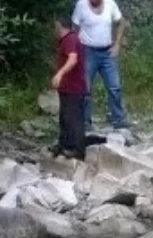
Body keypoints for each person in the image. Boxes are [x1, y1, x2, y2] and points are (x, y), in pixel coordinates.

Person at [73, 0, 129, 130]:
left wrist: (117, 44)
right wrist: (75, 49)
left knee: (115, 86)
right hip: (87, 51)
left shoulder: (110, 4)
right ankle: (85, 122)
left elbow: (121, 22)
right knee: (85, 89)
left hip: (107, 52)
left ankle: (118, 119)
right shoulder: (81, 5)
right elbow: (74, 28)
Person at [52, 17, 87, 160]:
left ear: (59, 25)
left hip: (74, 87)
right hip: (68, 87)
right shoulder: (68, 40)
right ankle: (64, 145)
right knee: (65, 117)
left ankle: (78, 150)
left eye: (55, 26)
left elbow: (73, 59)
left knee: (74, 118)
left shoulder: (70, 39)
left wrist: (59, 74)